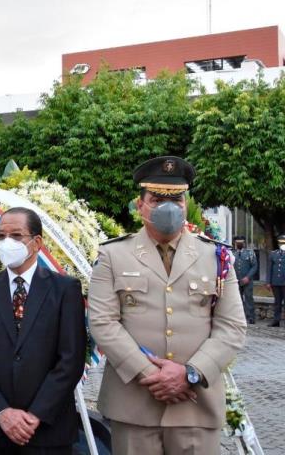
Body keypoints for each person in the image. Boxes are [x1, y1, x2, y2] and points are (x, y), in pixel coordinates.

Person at [88, 156, 246, 454]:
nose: (168, 207)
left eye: (177, 199)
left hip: (195, 403)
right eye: (158, 199)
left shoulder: (216, 257)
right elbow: (103, 323)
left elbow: (232, 326)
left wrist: (189, 373)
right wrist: (152, 375)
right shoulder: (113, 255)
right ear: (140, 205)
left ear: (186, 204)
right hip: (134, 404)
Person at [0, 208, 86, 454]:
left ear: (36, 242)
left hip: (49, 430)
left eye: (16, 235)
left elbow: (71, 359)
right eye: (0, 236)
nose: (7, 242)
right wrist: (3, 412)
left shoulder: (64, 289)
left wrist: (36, 414)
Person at [232, 235, 257, 324]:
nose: (239, 244)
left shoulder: (250, 253)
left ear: (244, 243)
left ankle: (251, 317)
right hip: (235, 280)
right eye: (237, 243)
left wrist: (248, 277)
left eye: (241, 242)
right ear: (235, 243)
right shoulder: (232, 253)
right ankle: (239, 317)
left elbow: (254, 266)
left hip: (247, 280)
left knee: (249, 298)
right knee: (237, 299)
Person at [268, 234, 285, 327]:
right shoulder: (273, 254)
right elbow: (270, 268)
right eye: (281, 242)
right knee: (277, 302)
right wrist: (268, 282)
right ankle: (276, 320)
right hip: (276, 282)